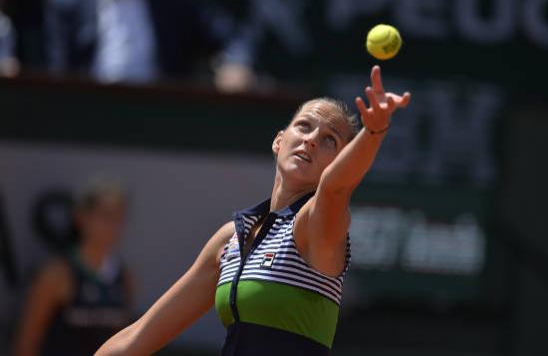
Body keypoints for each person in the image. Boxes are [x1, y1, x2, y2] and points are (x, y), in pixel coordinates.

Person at [95, 65, 411, 355]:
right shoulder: (230, 240)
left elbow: (335, 187)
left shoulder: (315, 225)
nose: (311, 140)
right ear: (279, 141)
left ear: (339, 160)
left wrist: (373, 132)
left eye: (330, 140)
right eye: (304, 126)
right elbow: (139, 336)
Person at [45, 0, 255, 91]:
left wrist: (235, 63)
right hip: (90, 114)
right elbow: (58, 73)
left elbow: (230, 36)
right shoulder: (67, 3)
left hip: (160, 115)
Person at [14, 181, 134, 356]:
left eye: (119, 217)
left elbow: (122, 341)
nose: (114, 226)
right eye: (106, 216)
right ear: (81, 217)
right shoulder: (56, 274)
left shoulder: (125, 277)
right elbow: (27, 342)